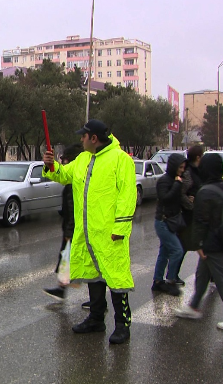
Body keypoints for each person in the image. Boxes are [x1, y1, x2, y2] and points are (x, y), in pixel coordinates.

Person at [43, 119, 137, 344]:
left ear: (93, 138)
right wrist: (51, 165)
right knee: (93, 278)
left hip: (110, 234)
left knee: (116, 279)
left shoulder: (120, 160)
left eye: (83, 136)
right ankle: (96, 318)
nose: (80, 139)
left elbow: (127, 196)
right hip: (86, 233)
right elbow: (63, 176)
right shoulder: (83, 159)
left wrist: (120, 228)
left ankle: (123, 325)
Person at [175, 153, 223, 330]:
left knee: (221, 277)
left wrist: (198, 244)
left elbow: (201, 222)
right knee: (202, 274)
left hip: (210, 242)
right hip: (222, 237)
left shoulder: (205, 192)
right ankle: (194, 306)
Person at [42, 144, 84, 302]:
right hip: (74, 229)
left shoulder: (73, 184)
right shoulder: (72, 180)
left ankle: (97, 298)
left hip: (74, 230)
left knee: (73, 260)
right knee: (69, 260)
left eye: (64, 158)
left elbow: (73, 210)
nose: (62, 160)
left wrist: (68, 233)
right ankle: (62, 287)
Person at [151, 153, 186, 296]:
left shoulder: (175, 179)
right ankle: (170, 280)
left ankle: (158, 281)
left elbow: (177, 199)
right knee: (177, 250)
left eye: (184, 167)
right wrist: (177, 184)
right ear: (173, 166)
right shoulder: (164, 181)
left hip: (171, 222)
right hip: (163, 221)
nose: (182, 170)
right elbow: (165, 198)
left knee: (164, 252)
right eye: (180, 167)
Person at [174, 145, 204, 285]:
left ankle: (209, 274)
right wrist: (191, 204)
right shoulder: (188, 172)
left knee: (201, 244)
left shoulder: (197, 170)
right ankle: (173, 275)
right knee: (183, 246)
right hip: (188, 216)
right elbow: (181, 193)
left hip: (196, 214)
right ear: (198, 157)